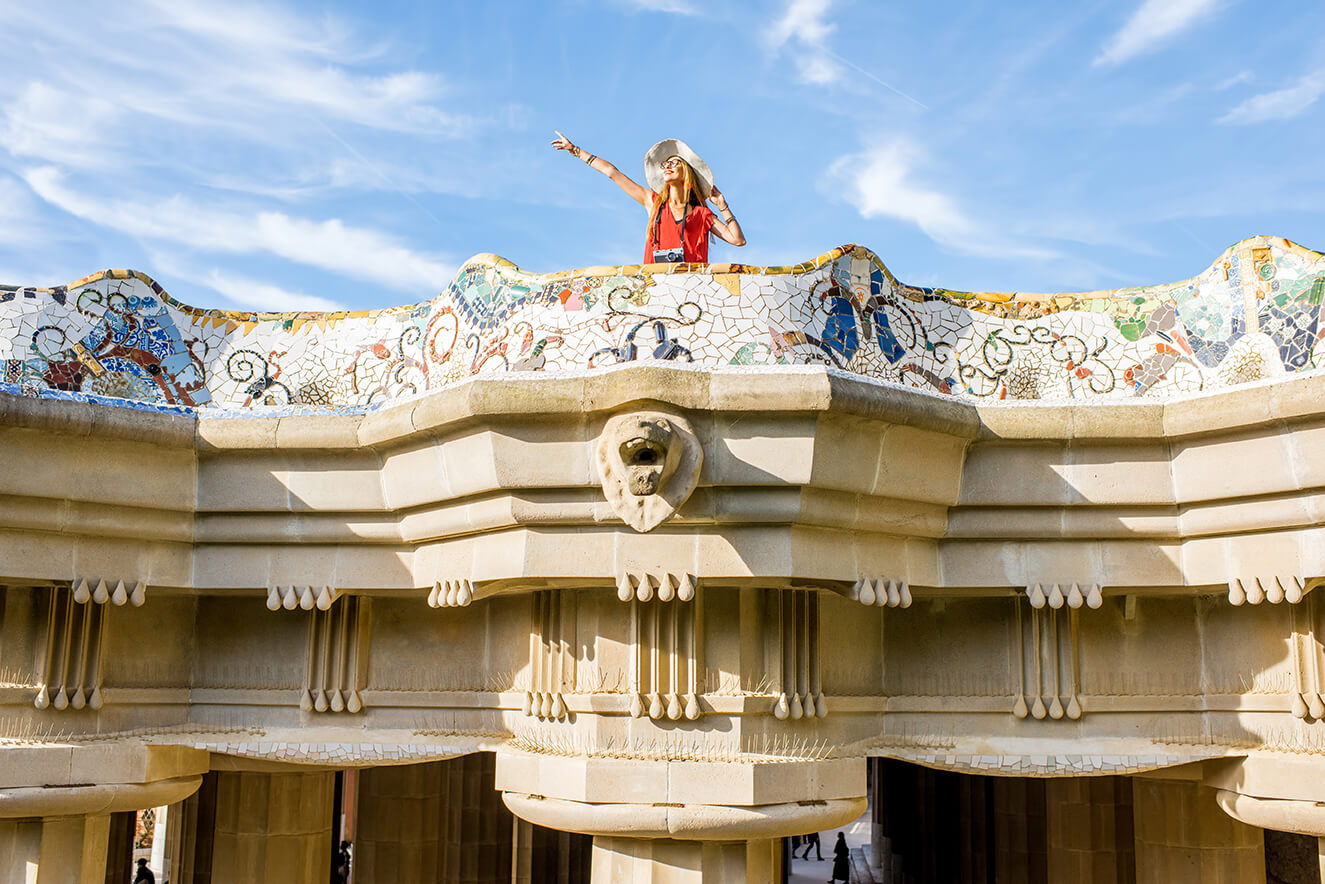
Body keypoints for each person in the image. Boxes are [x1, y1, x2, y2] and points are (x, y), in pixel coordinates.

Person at [550, 132, 746, 264]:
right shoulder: (654, 202)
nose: (667, 166)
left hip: (691, 289)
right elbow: (612, 172)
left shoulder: (701, 214)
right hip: (656, 286)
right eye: (665, 164)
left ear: (686, 172)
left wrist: (722, 205)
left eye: (675, 162)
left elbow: (737, 240)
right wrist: (575, 150)